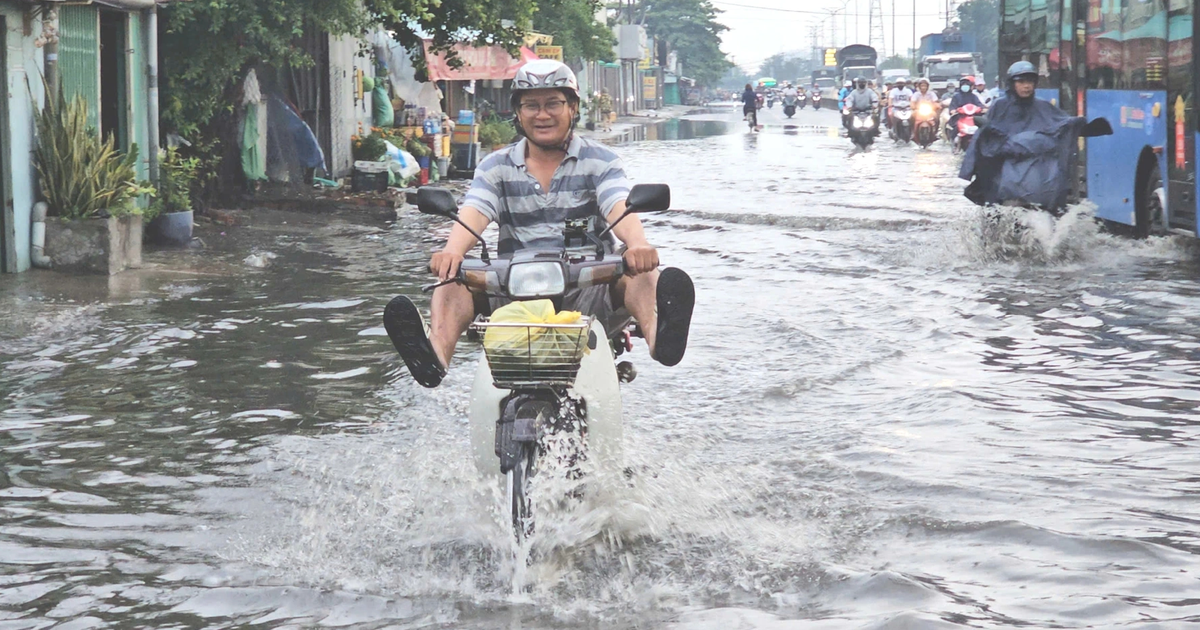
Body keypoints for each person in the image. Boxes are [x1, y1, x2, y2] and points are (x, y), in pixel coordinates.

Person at [384, 60, 696, 388]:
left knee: (643, 273)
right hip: (511, 290)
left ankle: (659, 339)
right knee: (452, 278)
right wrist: (452, 251)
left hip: (590, 289)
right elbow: (475, 209)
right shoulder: (495, 166)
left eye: (553, 104)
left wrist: (637, 244)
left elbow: (619, 202)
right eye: (531, 105)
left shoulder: (601, 161)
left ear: (572, 107)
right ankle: (434, 356)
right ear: (517, 113)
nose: (542, 114)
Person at [959, 61, 1109, 213]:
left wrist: (1085, 127)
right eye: (1021, 82)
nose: (1026, 86)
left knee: (1056, 201)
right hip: (1006, 170)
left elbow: (1062, 125)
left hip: (1038, 171)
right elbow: (984, 139)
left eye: (1030, 82)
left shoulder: (1043, 107)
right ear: (1012, 83)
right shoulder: (1000, 106)